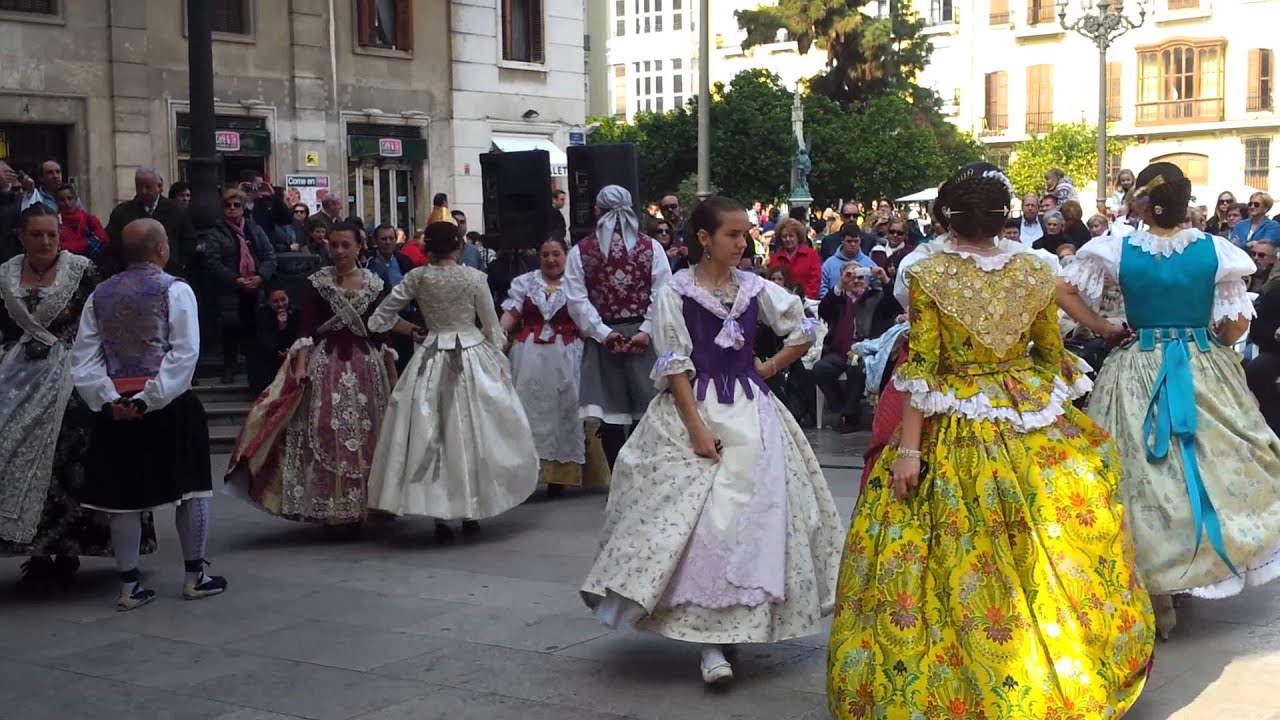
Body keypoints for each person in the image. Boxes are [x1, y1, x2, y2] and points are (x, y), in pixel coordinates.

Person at [828, 162, 1154, 718]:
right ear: (1003, 217)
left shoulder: (927, 273)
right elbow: (1050, 353)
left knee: (942, 554)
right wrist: (1044, 410)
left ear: (946, 217)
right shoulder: (1037, 268)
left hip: (950, 417)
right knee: (1041, 544)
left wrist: (910, 451)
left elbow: (923, 369)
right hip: (1024, 411)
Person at [580, 196, 844, 686]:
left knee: (754, 517)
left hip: (752, 411)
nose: (743, 243)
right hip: (696, 411)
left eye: (745, 234)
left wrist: (768, 367)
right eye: (733, 235)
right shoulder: (675, 292)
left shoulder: (754, 287)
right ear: (705, 238)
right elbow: (675, 366)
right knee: (703, 521)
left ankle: (737, 626)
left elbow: (805, 326)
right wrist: (697, 428)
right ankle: (709, 641)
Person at [1058, 161, 1280, 639]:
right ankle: (1193, 565)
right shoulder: (1215, 249)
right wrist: (1216, 340)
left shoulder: (1117, 247)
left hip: (1136, 364)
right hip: (1202, 364)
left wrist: (1104, 328)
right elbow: (1237, 322)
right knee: (1204, 464)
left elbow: (1064, 290)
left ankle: (1155, 587)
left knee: (1143, 472)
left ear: (1144, 204)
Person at [69, 218, 226, 611]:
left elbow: (84, 358)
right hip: (171, 404)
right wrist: (148, 398)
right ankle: (194, 576)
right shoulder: (176, 289)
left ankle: (129, 586)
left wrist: (110, 400)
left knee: (123, 499)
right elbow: (184, 353)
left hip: (116, 408)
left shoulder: (100, 295)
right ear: (161, 248)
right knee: (192, 490)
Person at [0, 206, 156, 589]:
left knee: (74, 452)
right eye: (36, 235)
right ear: (21, 236)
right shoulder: (5, 275)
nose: (45, 242)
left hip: (72, 373)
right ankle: (36, 550)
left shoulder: (82, 272)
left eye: (51, 234)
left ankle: (71, 546)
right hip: (15, 376)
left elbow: (107, 319)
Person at [365, 222, 539, 541]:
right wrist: (497, 357)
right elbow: (492, 327)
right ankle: (472, 509)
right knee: (473, 432)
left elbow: (379, 319)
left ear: (427, 248)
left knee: (434, 435)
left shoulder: (417, 277)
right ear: (459, 246)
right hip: (471, 355)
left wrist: (412, 331)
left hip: (430, 356)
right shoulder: (474, 278)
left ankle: (441, 517)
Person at [225, 223, 394, 528]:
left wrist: (393, 374)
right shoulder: (318, 283)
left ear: (359, 247)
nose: (339, 251)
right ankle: (332, 505)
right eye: (334, 245)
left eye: (345, 245)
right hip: (326, 363)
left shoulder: (374, 284)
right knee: (326, 431)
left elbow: (382, 332)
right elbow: (306, 330)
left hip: (366, 366)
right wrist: (301, 366)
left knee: (370, 434)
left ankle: (370, 503)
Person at [501, 237, 611, 498]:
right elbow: (512, 313)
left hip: (568, 355)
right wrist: (496, 334)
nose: (551, 260)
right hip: (529, 357)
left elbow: (589, 318)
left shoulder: (577, 284)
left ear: (566, 256)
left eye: (556, 254)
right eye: (545, 255)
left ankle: (562, 475)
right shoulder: (526, 282)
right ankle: (529, 473)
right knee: (528, 409)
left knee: (568, 409)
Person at [563, 185, 673, 431]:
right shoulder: (651, 247)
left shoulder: (581, 251)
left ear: (597, 211)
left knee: (609, 419)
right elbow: (664, 293)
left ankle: (613, 457)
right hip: (643, 340)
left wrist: (604, 334)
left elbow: (576, 301)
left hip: (604, 342)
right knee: (647, 418)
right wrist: (646, 330)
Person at [205, 188, 277, 384]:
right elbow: (213, 262)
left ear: (243, 208)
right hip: (230, 289)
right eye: (228, 205)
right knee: (230, 329)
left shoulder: (254, 230)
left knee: (256, 329)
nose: (232, 208)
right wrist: (235, 279)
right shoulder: (216, 233)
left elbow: (269, 256)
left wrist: (260, 276)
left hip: (255, 288)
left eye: (236, 205)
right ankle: (229, 367)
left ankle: (255, 370)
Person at [104, 166, 198, 278]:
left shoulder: (176, 211)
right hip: (131, 275)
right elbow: (111, 242)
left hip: (168, 273)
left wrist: (180, 265)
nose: (143, 191)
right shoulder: (122, 212)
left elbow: (189, 240)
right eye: (139, 187)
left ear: (159, 186)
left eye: (148, 187)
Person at [247, 284, 300, 396]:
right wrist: (280, 328)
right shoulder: (263, 315)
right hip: (271, 355)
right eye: (275, 301)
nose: (280, 304)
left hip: (292, 353)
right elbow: (265, 339)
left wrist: (291, 351)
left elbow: (299, 336)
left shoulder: (296, 313)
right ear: (268, 302)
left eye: (283, 300)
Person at [767, 217, 821, 299]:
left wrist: (804, 299)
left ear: (798, 237)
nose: (788, 239)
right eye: (784, 236)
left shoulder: (811, 255)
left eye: (791, 236)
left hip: (806, 301)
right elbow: (770, 283)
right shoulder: (776, 258)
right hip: (780, 301)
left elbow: (815, 280)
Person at [54, 184, 108, 264]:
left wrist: (73, 246)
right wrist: (86, 243)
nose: (67, 203)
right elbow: (56, 247)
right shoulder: (54, 223)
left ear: (76, 199)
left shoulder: (90, 220)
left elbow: (104, 239)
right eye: (62, 200)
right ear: (57, 202)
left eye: (70, 198)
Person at [818, 224, 875, 298]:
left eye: (856, 241)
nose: (853, 244)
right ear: (842, 241)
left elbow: (876, 287)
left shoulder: (869, 263)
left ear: (860, 241)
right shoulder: (829, 264)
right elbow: (822, 288)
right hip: (835, 303)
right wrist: (829, 301)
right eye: (849, 241)